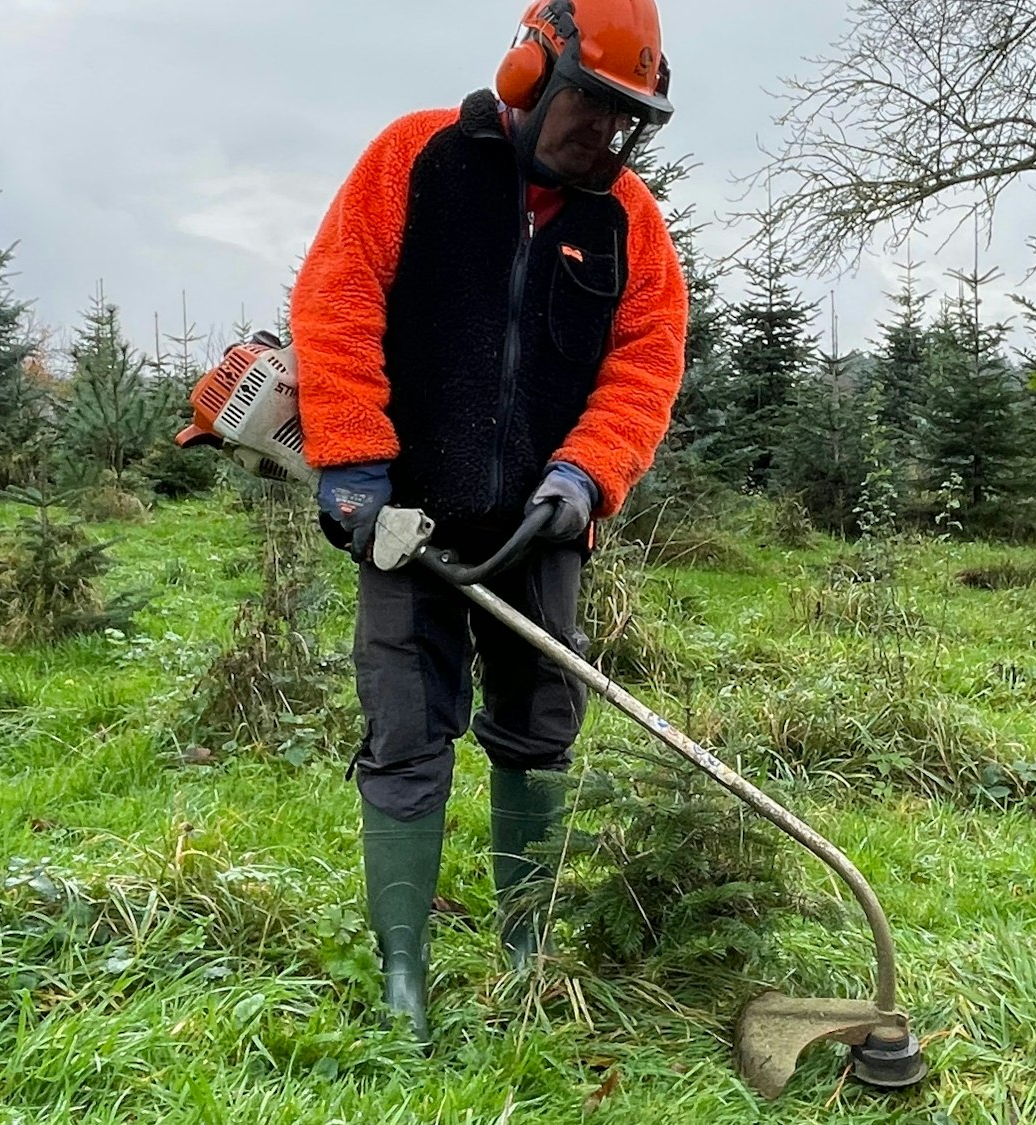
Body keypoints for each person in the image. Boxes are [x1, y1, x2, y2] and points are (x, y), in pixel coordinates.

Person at [287, 0, 688, 1041]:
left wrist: (586, 476)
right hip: (405, 518)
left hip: (540, 527)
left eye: (626, 117)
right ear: (529, 75)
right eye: (592, 105)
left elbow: (645, 364)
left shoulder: (629, 222)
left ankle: (524, 948)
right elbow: (337, 300)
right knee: (405, 729)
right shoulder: (414, 159)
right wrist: (353, 458)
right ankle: (403, 972)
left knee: (539, 725)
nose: (606, 132)